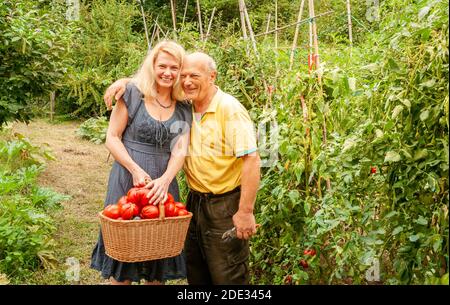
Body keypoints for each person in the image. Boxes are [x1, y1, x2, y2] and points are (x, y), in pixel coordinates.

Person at [104, 52, 261, 285]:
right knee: (196, 271)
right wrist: (126, 82)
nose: (186, 81)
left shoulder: (230, 110)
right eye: (184, 75)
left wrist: (245, 211)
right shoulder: (187, 106)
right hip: (195, 202)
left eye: (194, 75)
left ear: (212, 76)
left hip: (224, 205)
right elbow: (157, 81)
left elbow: (252, 159)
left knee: (227, 275)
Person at [91, 40, 192, 285]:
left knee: (158, 254)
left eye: (174, 67)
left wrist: (166, 181)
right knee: (124, 257)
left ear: (181, 71)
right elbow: (112, 137)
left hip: (162, 182)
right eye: (162, 66)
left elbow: (180, 149)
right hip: (127, 176)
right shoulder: (133, 94)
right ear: (152, 66)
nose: (168, 73)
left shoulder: (184, 106)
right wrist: (135, 170)